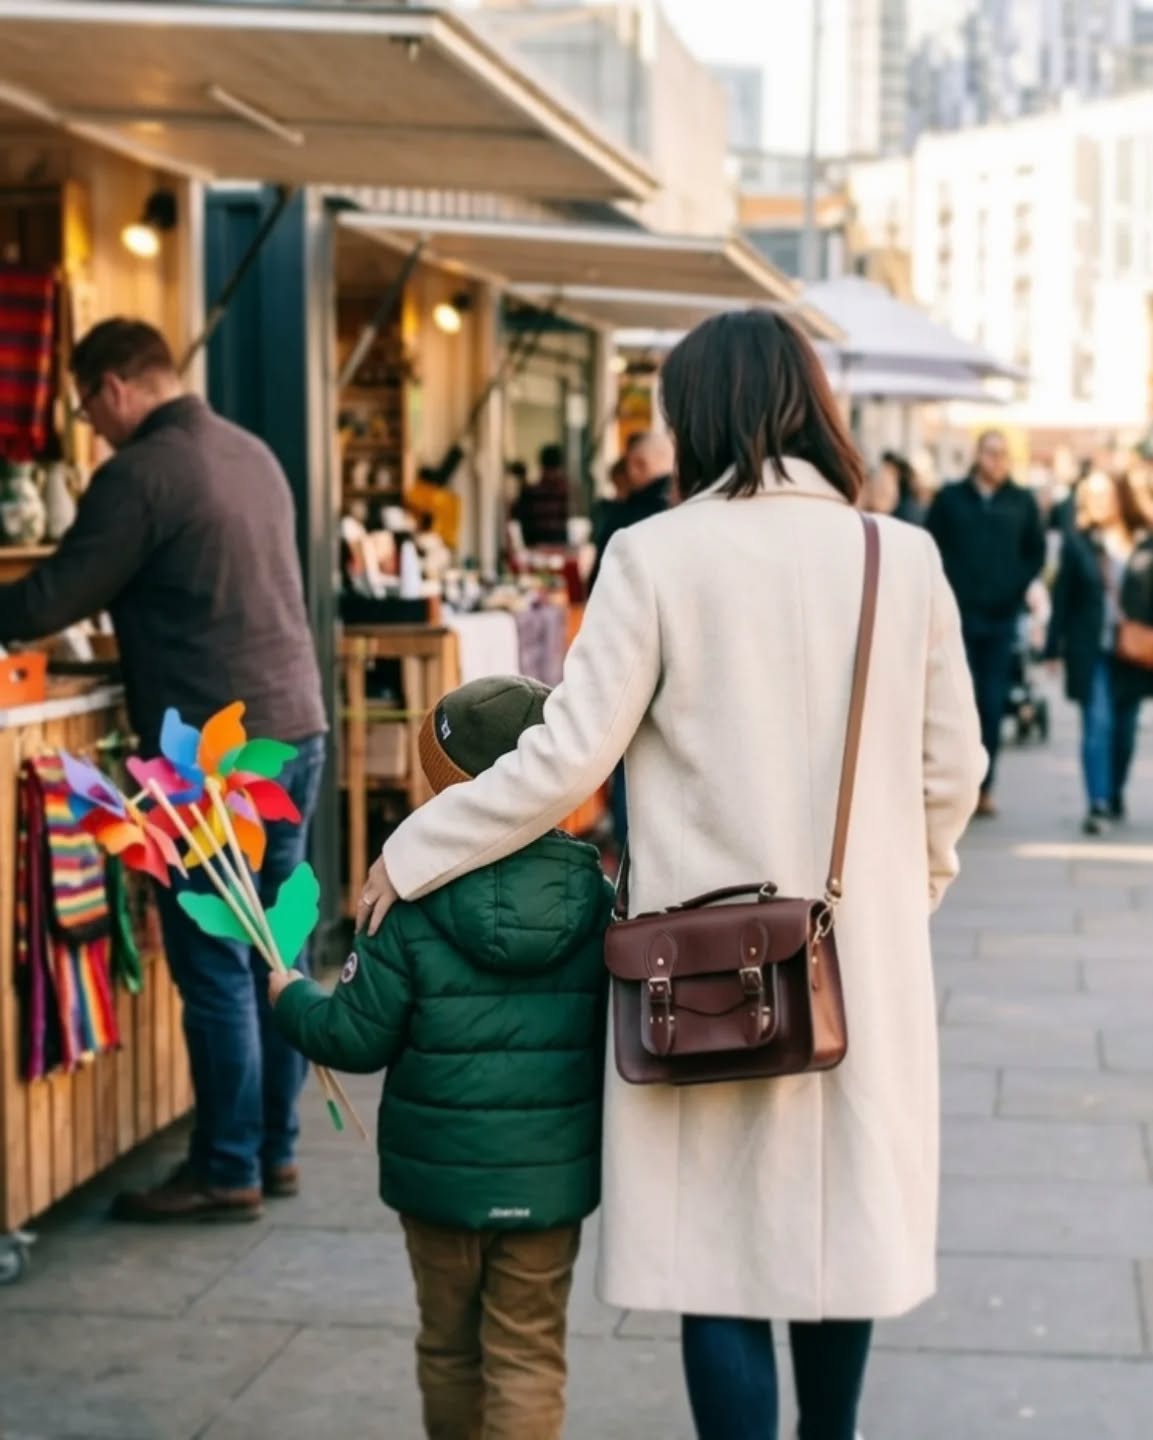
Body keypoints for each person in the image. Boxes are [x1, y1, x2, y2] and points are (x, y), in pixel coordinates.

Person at [355, 309, 985, 1440]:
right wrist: (903, 901)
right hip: (860, 961)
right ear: (811, 406)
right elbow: (955, 770)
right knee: (842, 1235)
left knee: (716, 1259)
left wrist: (413, 851)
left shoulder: (653, 553)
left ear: (693, 419)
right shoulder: (899, 556)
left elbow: (565, 759)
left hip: (693, 973)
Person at [0, 318, 327, 1222]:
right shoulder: (250, 452)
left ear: (112, 388)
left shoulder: (141, 472)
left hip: (210, 758)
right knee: (275, 953)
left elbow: (54, 597)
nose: (92, 429)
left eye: (85, 410)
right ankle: (274, 1149)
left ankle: (226, 1167)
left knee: (216, 959)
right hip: (293, 728)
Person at [271, 676, 611, 1440]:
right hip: (548, 1179)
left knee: (449, 1347)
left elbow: (353, 1039)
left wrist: (290, 997)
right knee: (529, 1353)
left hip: (438, 1181)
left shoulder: (407, 895)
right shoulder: (595, 894)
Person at [927, 430, 1046, 818]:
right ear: (977, 455)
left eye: (1003, 454)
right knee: (956, 702)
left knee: (991, 703)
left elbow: (1035, 553)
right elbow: (930, 546)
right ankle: (952, 783)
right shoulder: (951, 499)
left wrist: (1013, 586)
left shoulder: (1021, 501)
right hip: (957, 616)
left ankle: (984, 785)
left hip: (1000, 618)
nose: (997, 461)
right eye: (990, 453)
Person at [1048, 470, 1153, 833]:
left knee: (1124, 731)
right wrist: (1052, 647)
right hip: (1090, 649)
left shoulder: (1142, 541)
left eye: (1106, 493)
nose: (1101, 502)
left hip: (1133, 652)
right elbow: (1062, 597)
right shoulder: (1078, 543)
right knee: (1097, 723)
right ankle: (1098, 803)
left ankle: (1115, 790)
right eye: (1093, 495)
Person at [513, 444, 570, 547]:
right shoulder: (564, 490)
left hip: (556, 546)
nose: (551, 475)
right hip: (538, 546)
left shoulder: (564, 491)